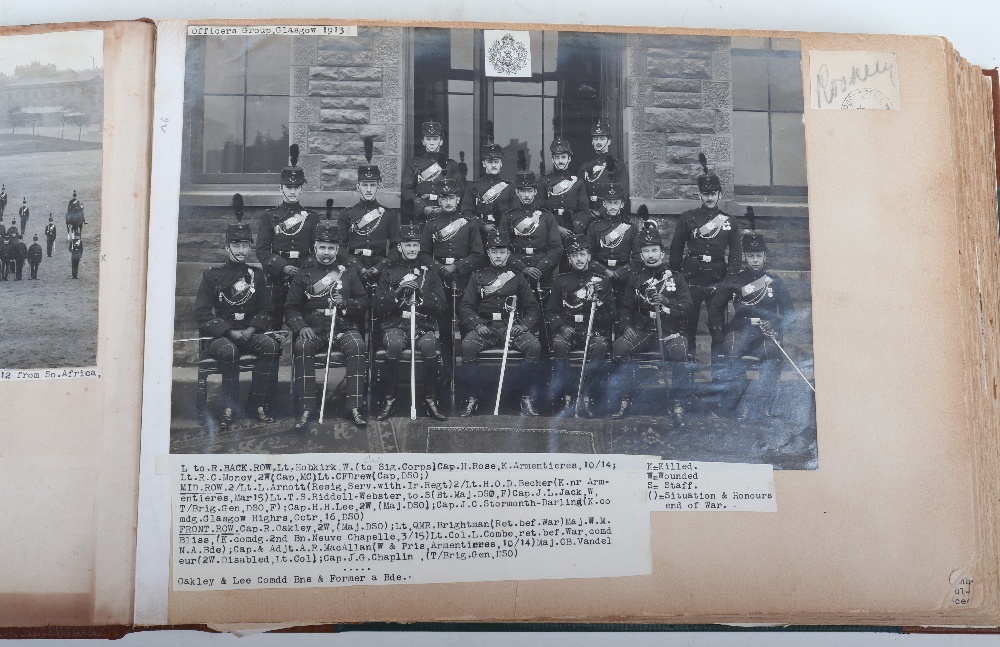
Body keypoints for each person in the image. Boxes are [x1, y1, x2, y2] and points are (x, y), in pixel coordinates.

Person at [193, 194, 280, 428]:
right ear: (226, 246)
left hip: (248, 333)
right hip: (220, 336)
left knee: (271, 345)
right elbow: (202, 313)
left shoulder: (257, 275)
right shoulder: (212, 275)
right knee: (230, 352)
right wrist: (229, 331)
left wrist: (252, 329)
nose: (241, 250)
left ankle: (257, 405)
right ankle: (229, 407)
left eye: (245, 245)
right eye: (236, 245)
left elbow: (265, 309)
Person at [285, 220, 370, 430]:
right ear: (315, 248)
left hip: (342, 326)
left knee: (358, 346)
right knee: (302, 346)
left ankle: (354, 407)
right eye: (322, 247)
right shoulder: (303, 273)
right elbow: (291, 307)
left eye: (331, 248)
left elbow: (364, 301)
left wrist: (347, 303)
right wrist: (300, 327)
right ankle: (307, 407)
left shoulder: (348, 272)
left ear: (337, 249)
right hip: (313, 329)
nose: (326, 252)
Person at [708, 230, 796, 419]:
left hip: (764, 332)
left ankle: (764, 403)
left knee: (773, 357)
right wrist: (718, 335)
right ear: (745, 257)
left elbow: (790, 314)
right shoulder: (735, 280)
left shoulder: (775, 282)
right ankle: (738, 398)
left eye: (758, 255)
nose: (755, 259)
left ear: (765, 256)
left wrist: (776, 326)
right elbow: (715, 307)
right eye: (750, 256)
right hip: (739, 330)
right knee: (732, 352)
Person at [609, 223, 693, 420]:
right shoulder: (635, 278)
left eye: (654, 250)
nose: (650, 255)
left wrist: (666, 301)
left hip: (670, 330)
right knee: (620, 348)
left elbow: (688, 308)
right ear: (641, 255)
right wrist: (627, 326)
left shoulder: (676, 277)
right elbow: (626, 308)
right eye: (646, 251)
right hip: (644, 330)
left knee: (680, 352)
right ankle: (625, 399)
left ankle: (678, 402)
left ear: (662, 253)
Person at [457, 229, 543, 417]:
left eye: (502, 252)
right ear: (488, 253)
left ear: (508, 254)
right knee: (467, 346)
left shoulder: (517, 277)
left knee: (534, 346)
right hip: (485, 327)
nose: (498, 256)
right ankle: (472, 397)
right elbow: (465, 308)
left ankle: (525, 397)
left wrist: (525, 326)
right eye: (494, 252)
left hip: (510, 327)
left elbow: (533, 308)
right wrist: (477, 325)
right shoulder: (477, 276)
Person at [669, 153, 742, 360]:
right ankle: (688, 381)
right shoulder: (688, 218)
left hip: (718, 278)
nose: (709, 197)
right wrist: (676, 276)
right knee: (687, 328)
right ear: (699, 195)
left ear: (720, 194)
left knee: (717, 327)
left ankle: (717, 382)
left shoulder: (729, 221)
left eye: (713, 193)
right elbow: (676, 249)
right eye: (705, 194)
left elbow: (736, 254)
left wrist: (729, 281)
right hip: (691, 276)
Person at [372, 225, 448, 421]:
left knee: (430, 346)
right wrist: (397, 293)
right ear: (400, 247)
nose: (412, 249)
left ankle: (431, 401)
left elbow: (441, 304)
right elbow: (378, 305)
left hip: (422, 324)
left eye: (415, 245)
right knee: (395, 345)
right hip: (396, 324)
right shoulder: (389, 272)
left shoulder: (429, 272)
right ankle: (389, 401)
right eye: (408, 245)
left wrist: (422, 296)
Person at [418, 177, 484, 391]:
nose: (448, 202)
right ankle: (446, 371)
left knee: (465, 327)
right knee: (444, 329)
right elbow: (424, 254)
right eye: (444, 198)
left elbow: (478, 255)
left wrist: (457, 267)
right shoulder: (431, 225)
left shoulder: (470, 224)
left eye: (452, 198)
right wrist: (439, 269)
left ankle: (466, 374)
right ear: (439, 199)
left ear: (458, 199)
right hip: (440, 282)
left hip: (464, 281)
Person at [545, 235, 615, 417]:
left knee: (600, 346)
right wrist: (561, 327)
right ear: (569, 258)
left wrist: (599, 302)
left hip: (593, 329)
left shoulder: (602, 281)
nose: (579, 259)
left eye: (582, 254)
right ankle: (566, 395)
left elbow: (611, 316)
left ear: (589, 256)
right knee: (559, 344)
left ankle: (586, 394)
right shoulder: (561, 281)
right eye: (574, 255)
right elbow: (551, 311)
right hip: (568, 329)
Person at [255, 144, 320, 331]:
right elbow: (262, 250)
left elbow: (316, 250)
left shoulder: (311, 217)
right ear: (281, 188)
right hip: (276, 277)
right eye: (288, 187)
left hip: (303, 275)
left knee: (302, 322)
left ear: (302, 189)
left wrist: (302, 270)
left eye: (296, 187)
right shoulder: (268, 217)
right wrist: (283, 267)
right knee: (271, 323)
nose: (292, 191)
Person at [497, 168, 562, 332]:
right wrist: (523, 268)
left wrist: (540, 269)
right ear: (517, 193)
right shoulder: (508, 217)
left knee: (543, 314)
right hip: (516, 270)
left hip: (542, 271)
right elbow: (501, 248)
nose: (526, 195)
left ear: (535, 192)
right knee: (517, 312)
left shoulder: (546, 217)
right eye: (522, 191)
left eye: (529, 191)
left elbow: (556, 248)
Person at [337, 136, 400, 291]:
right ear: (358, 186)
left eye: (372, 185)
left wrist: (380, 267)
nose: (369, 190)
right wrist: (358, 268)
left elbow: (395, 247)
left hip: (381, 268)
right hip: (353, 267)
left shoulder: (389, 215)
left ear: (378, 185)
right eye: (365, 185)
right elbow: (340, 247)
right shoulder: (347, 214)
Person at [586, 182, 639, 309]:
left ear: (622, 204)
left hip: (624, 277)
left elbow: (638, 258)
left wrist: (620, 273)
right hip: (600, 275)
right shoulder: (594, 227)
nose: (613, 206)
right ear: (604, 204)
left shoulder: (631, 228)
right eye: (609, 203)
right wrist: (604, 271)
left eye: (616, 203)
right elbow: (587, 255)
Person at [540, 137, 590, 272]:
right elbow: (539, 209)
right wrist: (556, 227)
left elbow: (584, 210)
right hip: (550, 225)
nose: (560, 161)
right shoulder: (544, 181)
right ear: (552, 159)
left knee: (569, 266)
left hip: (571, 226)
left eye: (563, 157)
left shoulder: (577, 182)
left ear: (569, 159)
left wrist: (575, 228)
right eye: (557, 157)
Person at [401, 121, 462, 226]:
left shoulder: (451, 165)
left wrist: (444, 208)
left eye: (435, 139)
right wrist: (423, 208)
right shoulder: (414, 163)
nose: (432, 143)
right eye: (428, 139)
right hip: (421, 213)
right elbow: (407, 190)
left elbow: (460, 190)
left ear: (441, 141)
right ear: (423, 142)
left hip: (446, 212)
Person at [460, 127, 515, 239]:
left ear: (501, 164)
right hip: (479, 233)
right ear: (484, 163)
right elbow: (466, 212)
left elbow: (515, 213)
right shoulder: (473, 186)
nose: (493, 165)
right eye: (490, 162)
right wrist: (483, 226)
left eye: (496, 162)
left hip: (503, 232)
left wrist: (503, 228)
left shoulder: (509, 187)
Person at [578, 118, 628, 218]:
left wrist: (601, 212)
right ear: (592, 142)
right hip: (587, 215)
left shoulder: (618, 166)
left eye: (602, 138)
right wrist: (586, 211)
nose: (598, 142)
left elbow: (623, 194)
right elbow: (577, 193)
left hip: (609, 216)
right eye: (595, 139)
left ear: (609, 141)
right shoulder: (585, 167)